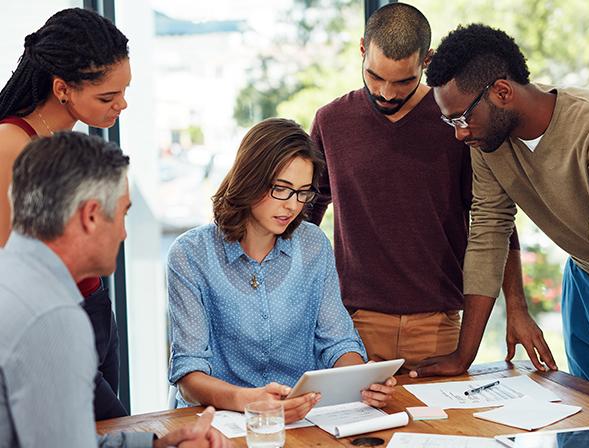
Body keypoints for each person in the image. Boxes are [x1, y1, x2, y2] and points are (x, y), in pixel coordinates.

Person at [308, 3, 556, 376]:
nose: (387, 92)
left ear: (428, 60)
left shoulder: (459, 124)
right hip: (352, 325)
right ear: (362, 49)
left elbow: (495, 221)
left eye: (403, 81)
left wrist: (517, 306)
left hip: (437, 325)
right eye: (375, 76)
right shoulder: (331, 121)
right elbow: (306, 212)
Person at [421, 23, 589, 385]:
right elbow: (488, 230)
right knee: (587, 406)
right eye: (449, 120)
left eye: (462, 117)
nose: (460, 132)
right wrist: (462, 356)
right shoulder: (487, 141)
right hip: (583, 275)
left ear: (502, 91)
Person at [0, 131, 232, 448]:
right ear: (92, 215)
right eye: (124, 213)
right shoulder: (53, 319)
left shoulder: (12, 278)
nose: (124, 233)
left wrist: (156, 445)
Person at [167, 118, 396, 423]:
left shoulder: (313, 244)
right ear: (249, 178)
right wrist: (248, 400)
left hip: (301, 419)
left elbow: (337, 341)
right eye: (282, 189)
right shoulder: (190, 254)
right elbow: (188, 374)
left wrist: (361, 382)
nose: (293, 206)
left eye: (303, 193)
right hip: (222, 423)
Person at [0, 7, 131, 419]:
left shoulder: (64, 139)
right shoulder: (11, 144)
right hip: (54, 319)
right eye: (108, 97)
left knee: (112, 431)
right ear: (62, 88)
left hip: (94, 308)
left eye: (124, 91)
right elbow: (13, 269)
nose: (122, 105)